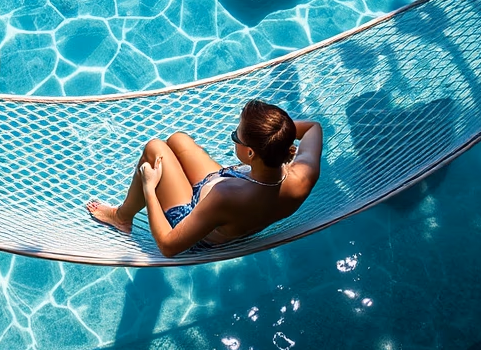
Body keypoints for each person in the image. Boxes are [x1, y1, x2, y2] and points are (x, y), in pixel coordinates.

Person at [86, 99, 324, 257]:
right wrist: (275, 136)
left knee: (155, 148)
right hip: (230, 198)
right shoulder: (302, 176)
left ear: (251, 153)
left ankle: (121, 217)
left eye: (236, 136)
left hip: (195, 225)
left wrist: (149, 188)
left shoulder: (226, 196)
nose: (233, 138)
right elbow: (313, 127)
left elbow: (169, 247)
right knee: (178, 140)